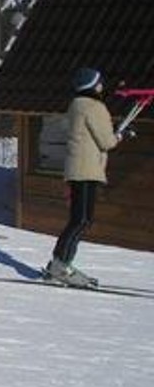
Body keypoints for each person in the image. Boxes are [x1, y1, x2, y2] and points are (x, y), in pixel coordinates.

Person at [43, 67, 131, 287]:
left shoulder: (76, 105)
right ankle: (60, 264)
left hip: (78, 169)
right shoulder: (94, 106)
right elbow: (107, 142)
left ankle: (62, 263)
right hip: (87, 170)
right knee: (81, 220)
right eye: (100, 82)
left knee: (80, 219)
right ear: (94, 85)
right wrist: (120, 135)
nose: (103, 86)